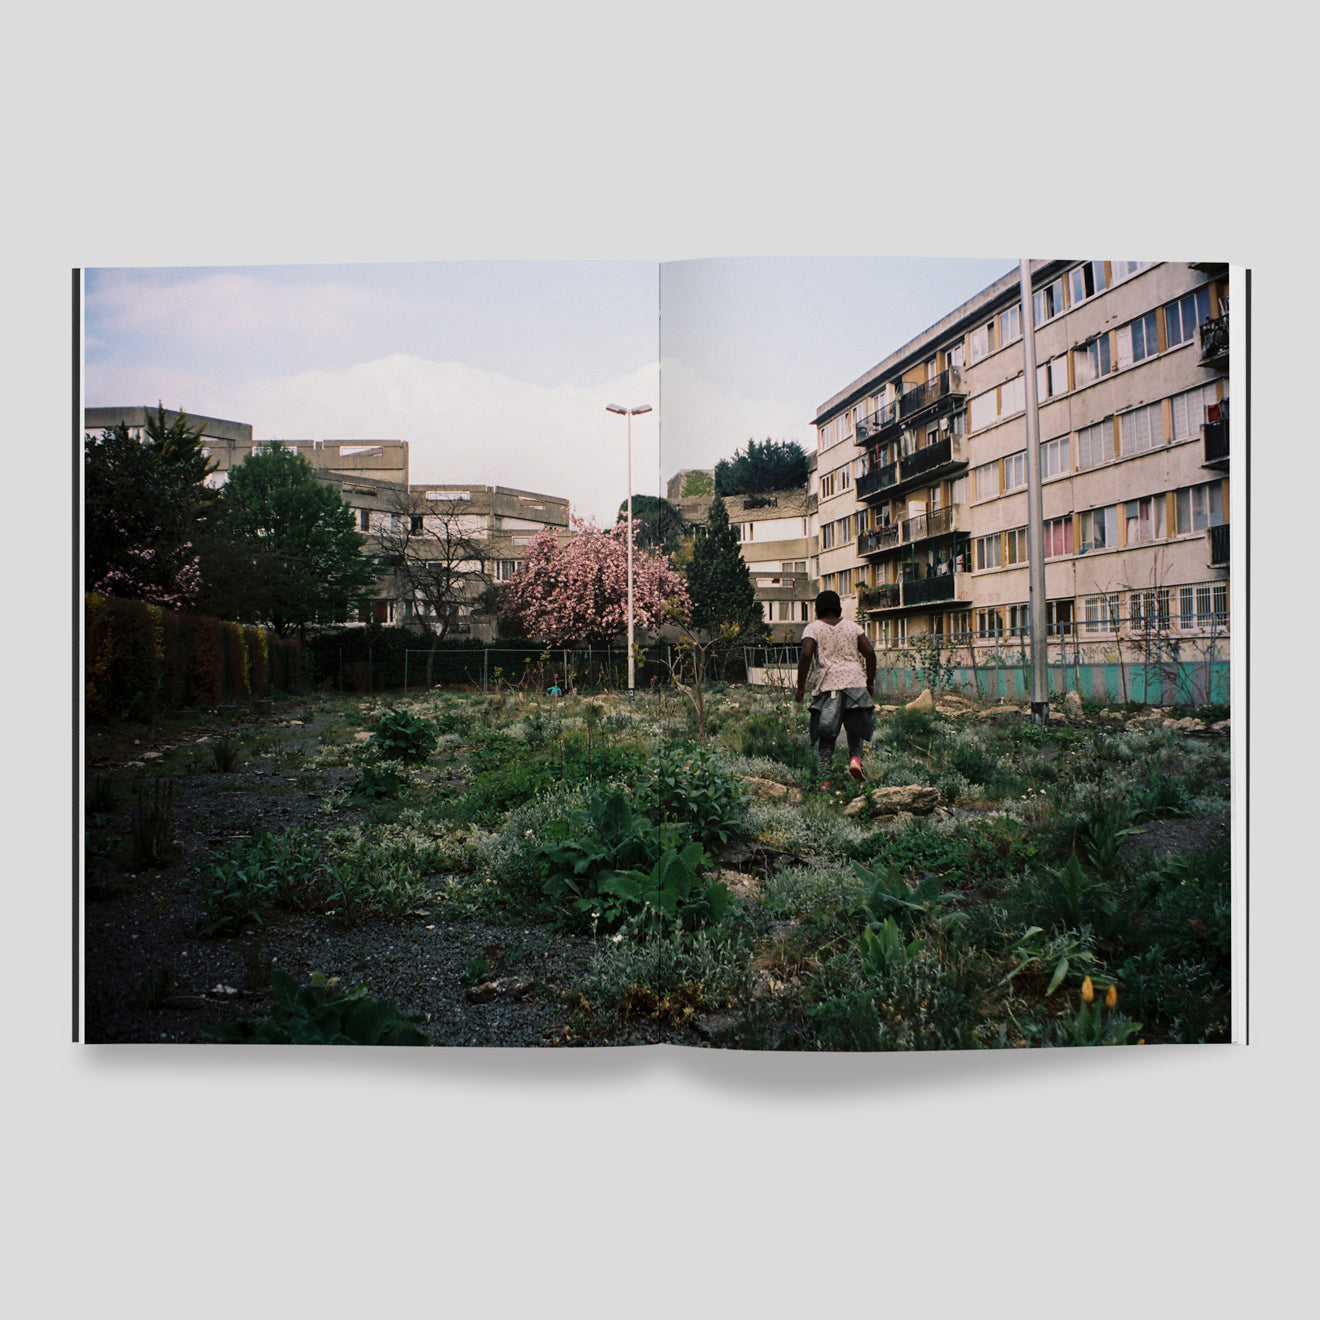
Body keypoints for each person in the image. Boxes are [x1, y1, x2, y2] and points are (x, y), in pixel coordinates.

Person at [794, 590, 877, 786]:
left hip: (829, 686)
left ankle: (824, 781)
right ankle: (855, 760)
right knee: (855, 731)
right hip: (855, 684)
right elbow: (870, 653)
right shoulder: (853, 627)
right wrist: (870, 682)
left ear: (817, 609)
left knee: (827, 736)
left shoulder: (813, 628)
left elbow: (806, 655)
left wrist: (800, 687)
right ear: (838, 607)